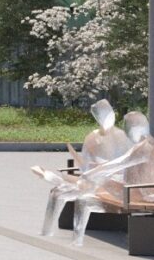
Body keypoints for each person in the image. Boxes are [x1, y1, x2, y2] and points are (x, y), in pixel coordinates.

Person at [35, 99, 132, 241]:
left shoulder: (123, 136)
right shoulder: (92, 137)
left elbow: (125, 165)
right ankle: (46, 231)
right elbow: (85, 166)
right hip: (94, 181)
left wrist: (98, 170)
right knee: (57, 192)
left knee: (77, 197)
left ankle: (76, 239)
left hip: (113, 184)